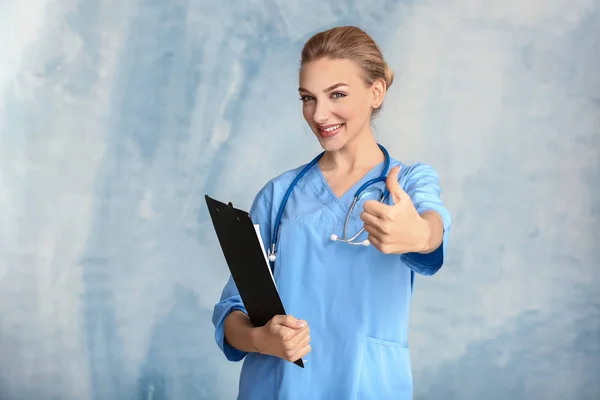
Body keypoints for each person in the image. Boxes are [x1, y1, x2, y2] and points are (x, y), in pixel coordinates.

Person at [212, 25, 452, 399]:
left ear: (376, 91)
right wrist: (262, 339)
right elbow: (231, 315)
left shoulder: (406, 183)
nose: (319, 114)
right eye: (308, 98)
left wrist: (418, 234)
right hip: (279, 388)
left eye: (336, 94)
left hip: (366, 387)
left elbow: (432, 228)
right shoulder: (278, 195)